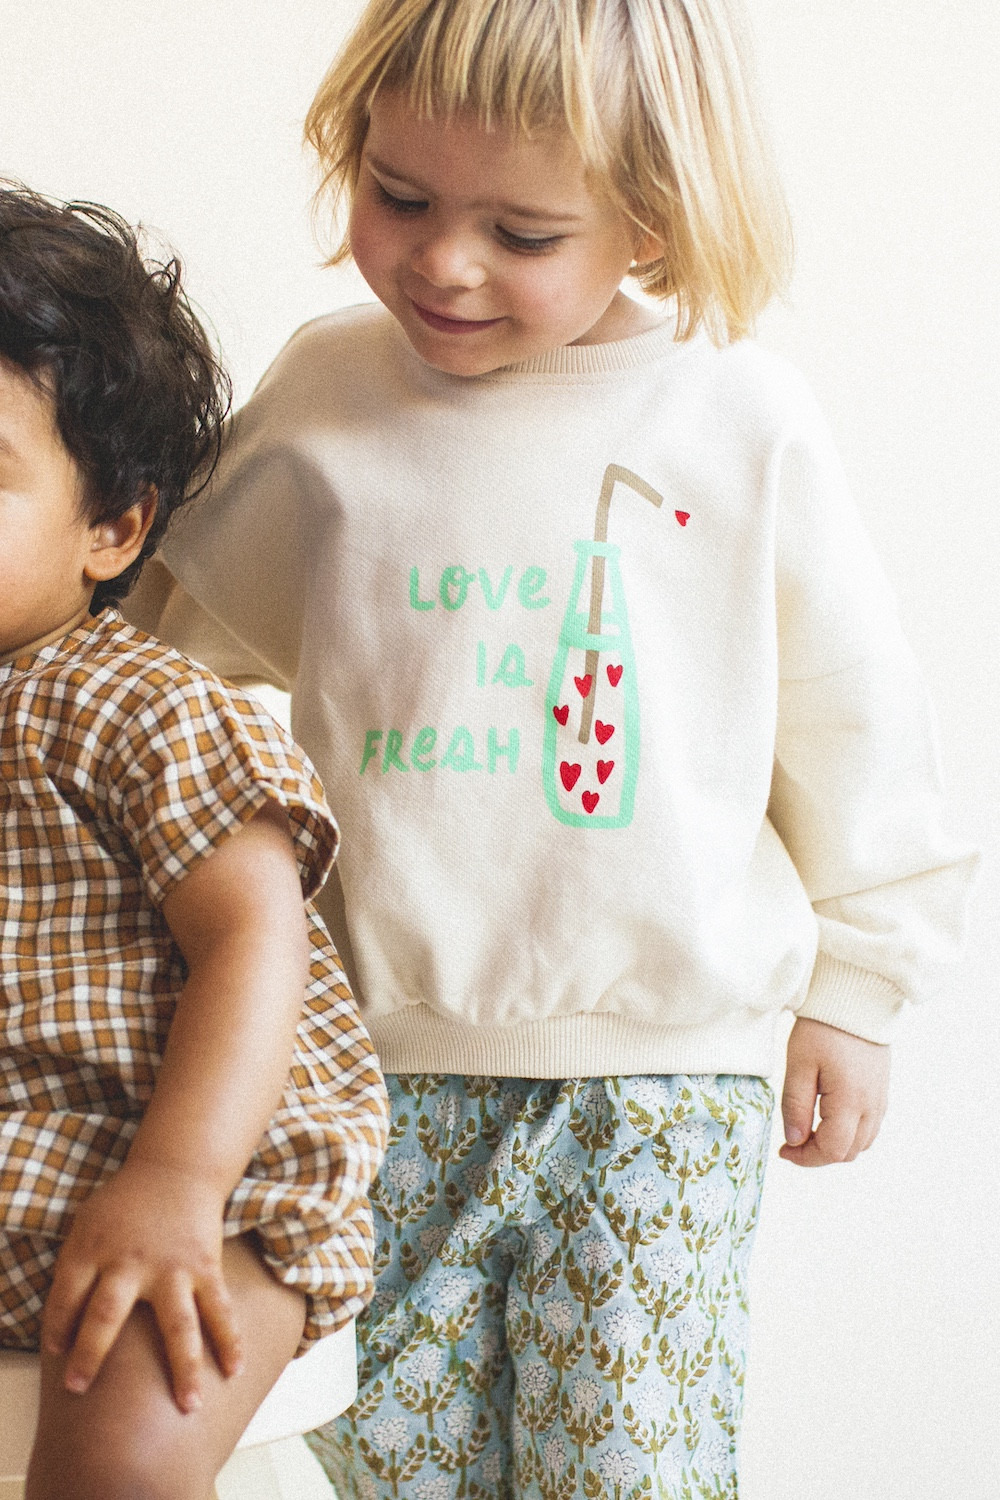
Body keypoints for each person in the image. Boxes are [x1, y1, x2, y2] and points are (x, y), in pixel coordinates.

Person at [133, 1, 976, 1494]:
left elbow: (853, 712)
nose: (443, 263)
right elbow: (153, 647)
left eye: (521, 234)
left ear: (651, 220)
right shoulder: (329, 396)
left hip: (661, 1077)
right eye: (399, 197)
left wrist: (859, 985)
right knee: (393, 1456)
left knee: (632, 1464)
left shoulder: (736, 416)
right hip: (372, 1066)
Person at [0, 183, 388, 1500]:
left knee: (124, 1448)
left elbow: (252, 936)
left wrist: (178, 1177)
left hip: (203, 1174)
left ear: (113, 527)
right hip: (22, 1169)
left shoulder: (137, 703)